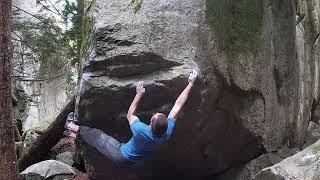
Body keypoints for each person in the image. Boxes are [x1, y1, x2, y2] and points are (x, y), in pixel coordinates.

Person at [64, 70, 198, 167]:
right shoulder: (166, 133)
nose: (155, 113)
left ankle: (70, 125)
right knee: (95, 145)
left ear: (150, 124)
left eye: (154, 116)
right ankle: (71, 134)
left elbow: (130, 115)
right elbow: (178, 105)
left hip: (120, 154)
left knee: (96, 135)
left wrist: (139, 94)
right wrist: (190, 84)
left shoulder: (140, 130)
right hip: (133, 162)